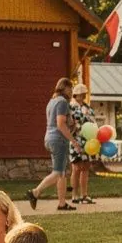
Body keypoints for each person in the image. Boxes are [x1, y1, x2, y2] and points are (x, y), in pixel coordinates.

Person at [27, 77, 77, 212]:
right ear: (64, 88)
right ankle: (35, 192)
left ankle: (62, 203)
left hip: (49, 138)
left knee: (61, 174)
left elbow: (58, 123)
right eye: (70, 88)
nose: (72, 91)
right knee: (57, 173)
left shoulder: (52, 101)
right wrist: (74, 141)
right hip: (58, 140)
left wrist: (72, 125)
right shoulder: (62, 103)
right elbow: (60, 124)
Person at [69, 82, 97, 205]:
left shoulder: (88, 107)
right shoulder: (71, 107)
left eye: (85, 93)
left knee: (85, 167)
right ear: (76, 94)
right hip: (75, 140)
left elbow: (93, 121)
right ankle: (75, 195)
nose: (84, 96)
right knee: (76, 168)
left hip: (87, 141)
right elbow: (69, 123)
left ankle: (84, 195)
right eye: (82, 94)